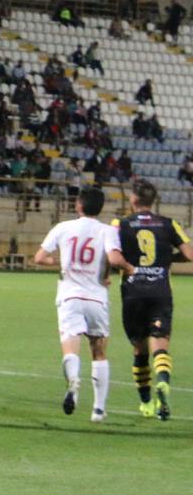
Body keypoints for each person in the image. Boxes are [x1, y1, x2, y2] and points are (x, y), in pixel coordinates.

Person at [33, 187, 131, 421]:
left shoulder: (63, 228)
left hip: (69, 297)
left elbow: (39, 258)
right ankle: (98, 409)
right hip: (96, 297)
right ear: (100, 208)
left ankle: (73, 380)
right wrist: (129, 268)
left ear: (78, 205)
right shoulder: (107, 230)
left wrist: (60, 262)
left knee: (70, 347)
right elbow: (113, 258)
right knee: (99, 352)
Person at [111, 179, 193, 419]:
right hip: (160, 292)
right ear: (153, 200)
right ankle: (163, 381)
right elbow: (190, 254)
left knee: (139, 349)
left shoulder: (120, 224)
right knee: (160, 344)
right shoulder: (169, 224)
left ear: (133, 200)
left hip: (133, 292)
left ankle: (146, 403)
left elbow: (112, 254)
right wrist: (166, 259)